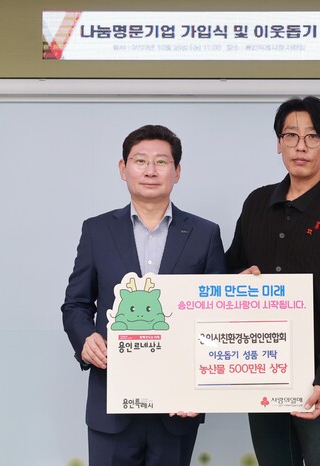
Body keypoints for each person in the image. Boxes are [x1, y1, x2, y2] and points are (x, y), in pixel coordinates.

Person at [225, 96, 320, 466]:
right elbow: (228, 273)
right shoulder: (256, 204)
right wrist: (237, 281)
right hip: (262, 375)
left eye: (313, 136)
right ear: (278, 143)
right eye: (291, 136)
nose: (301, 146)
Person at [61, 124, 226, 466]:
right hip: (112, 400)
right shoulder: (97, 230)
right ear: (123, 168)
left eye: (161, 162)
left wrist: (202, 386)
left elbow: (216, 316)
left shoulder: (205, 234)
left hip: (178, 404)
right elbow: (76, 304)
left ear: (177, 171)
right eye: (140, 161)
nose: (151, 170)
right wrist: (85, 339)